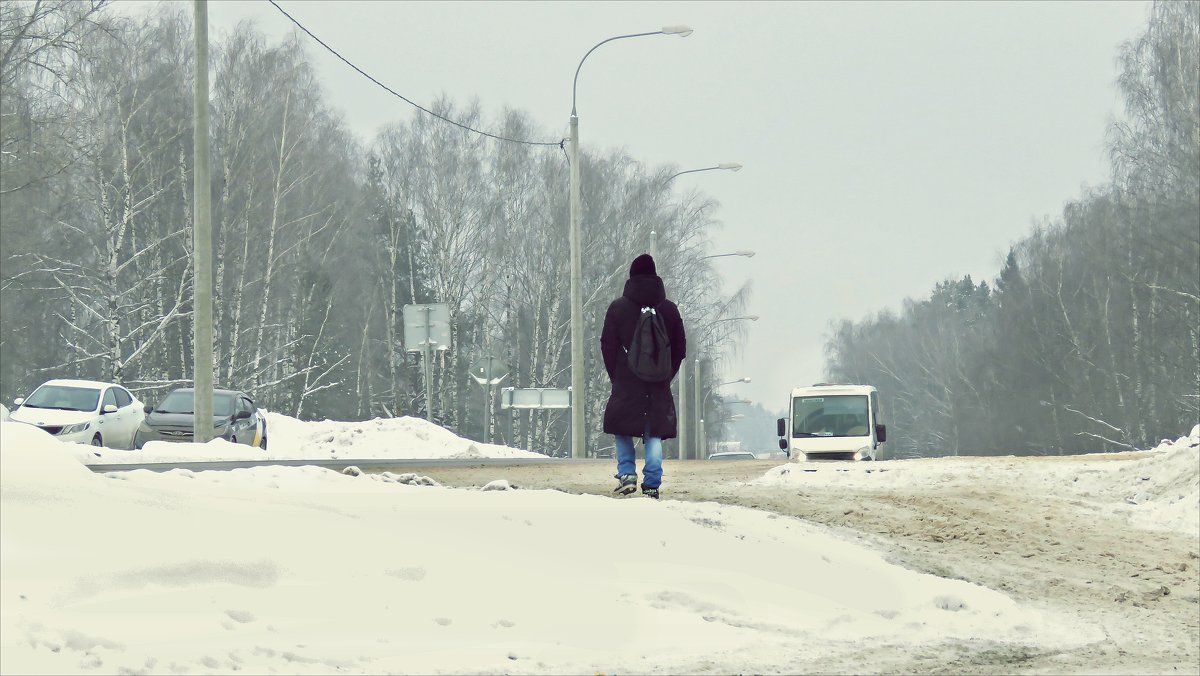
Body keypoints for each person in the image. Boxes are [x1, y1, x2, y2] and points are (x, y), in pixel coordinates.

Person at [600, 253, 686, 499]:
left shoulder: (618, 308)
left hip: (626, 380)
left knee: (622, 428)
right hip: (658, 382)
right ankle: (652, 482)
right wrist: (666, 373)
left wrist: (617, 374)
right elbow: (680, 347)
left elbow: (607, 344)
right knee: (654, 432)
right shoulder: (669, 310)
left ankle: (627, 475)